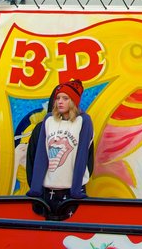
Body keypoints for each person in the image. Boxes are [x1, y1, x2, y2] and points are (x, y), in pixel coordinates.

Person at [26, 80, 93, 220]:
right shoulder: (47, 123)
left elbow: (85, 157)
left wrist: (77, 188)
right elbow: (36, 156)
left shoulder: (83, 122)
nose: (60, 102)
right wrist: (35, 187)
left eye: (65, 98)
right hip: (46, 190)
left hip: (69, 191)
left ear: (73, 101)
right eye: (58, 98)